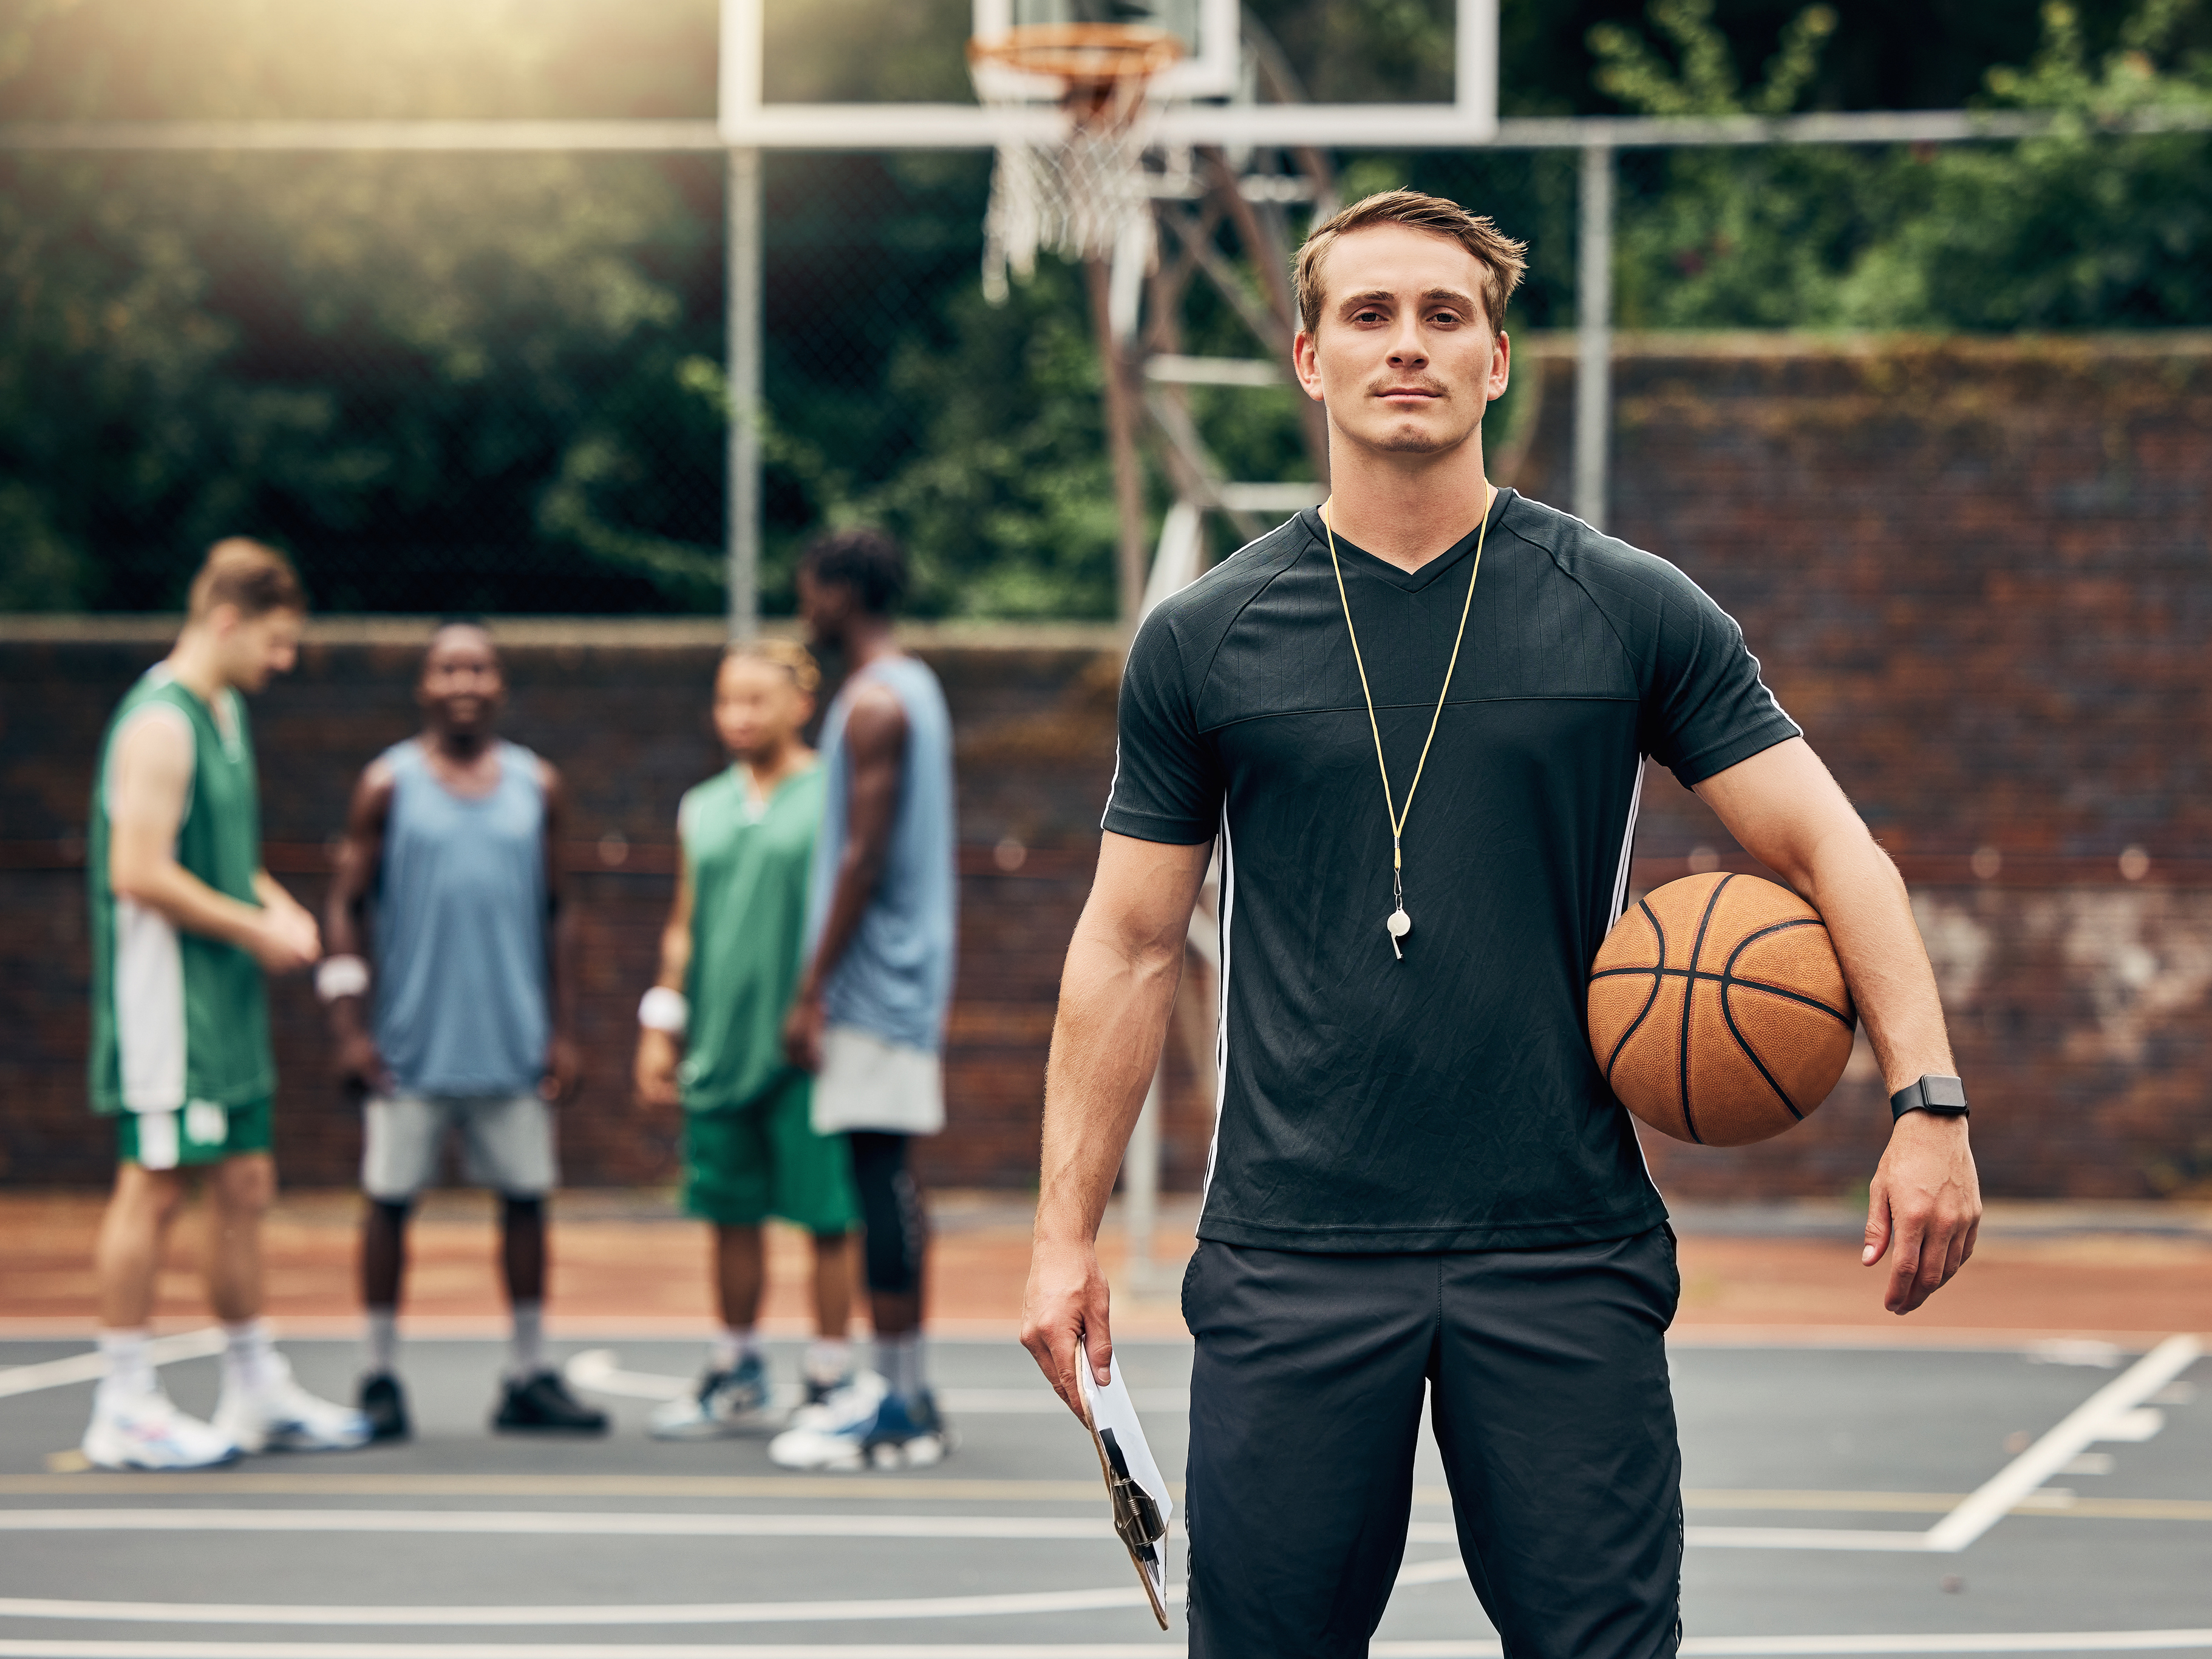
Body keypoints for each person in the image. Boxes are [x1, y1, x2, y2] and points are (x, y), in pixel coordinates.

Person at [1021, 191, 1984, 1657]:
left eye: (1443, 315)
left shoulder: (1624, 608)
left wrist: (1927, 1099)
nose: (1405, 345)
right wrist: (1058, 1235)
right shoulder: (1206, 638)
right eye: (1368, 314)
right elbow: (1129, 943)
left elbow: (1829, 844)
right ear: (1306, 355)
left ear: (1496, 360)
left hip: (1561, 1243)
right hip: (1293, 1246)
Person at [82, 538, 372, 1471]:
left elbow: (217, 851)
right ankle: (123, 1400)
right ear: (228, 620)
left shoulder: (227, 715)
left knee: (246, 1183)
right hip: (167, 1000)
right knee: (156, 1182)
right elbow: (138, 870)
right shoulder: (159, 725)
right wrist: (250, 928)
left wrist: (271, 900)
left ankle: (254, 1387)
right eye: (277, 642)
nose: (284, 662)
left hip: (225, 995)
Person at [321, 621, 605, 1439]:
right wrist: (349, 1024)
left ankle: (527, 1371)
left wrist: (565, 1028)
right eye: (448, 668)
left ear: (499, 684)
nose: (464, 681)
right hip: (409, 1044)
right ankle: (377, 1373)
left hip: (512, 1041)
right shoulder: (389, 784)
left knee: (525, 1202)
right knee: (389, 1203)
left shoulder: (534, 785)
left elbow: (561, 909)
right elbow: (345, 902)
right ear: (425, 685)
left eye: (479, 667)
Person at [766, 529, 958, 1472]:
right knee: (889, 1177)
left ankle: (897, 1404)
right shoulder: (906, 687)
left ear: (843, 591)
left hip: (877, 984)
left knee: (879, 1177)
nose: (804, 605)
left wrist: (811, 989)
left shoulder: (875, 703)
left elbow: (864, 855)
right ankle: (904, 1386)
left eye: (811, 589)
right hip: (903, 977)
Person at [635, 640, 859, 1437]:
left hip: (807, 1047)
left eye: (755, 700)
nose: (738, 716)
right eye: (727, 701)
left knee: (829, 1215)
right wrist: (661, 1020)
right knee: (730, 1213)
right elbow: (683, 927)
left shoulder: (836, 793)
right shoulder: (701, 805)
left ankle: (830, 1377)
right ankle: (737, 1369)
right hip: (721, 1044)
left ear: (801, 704)